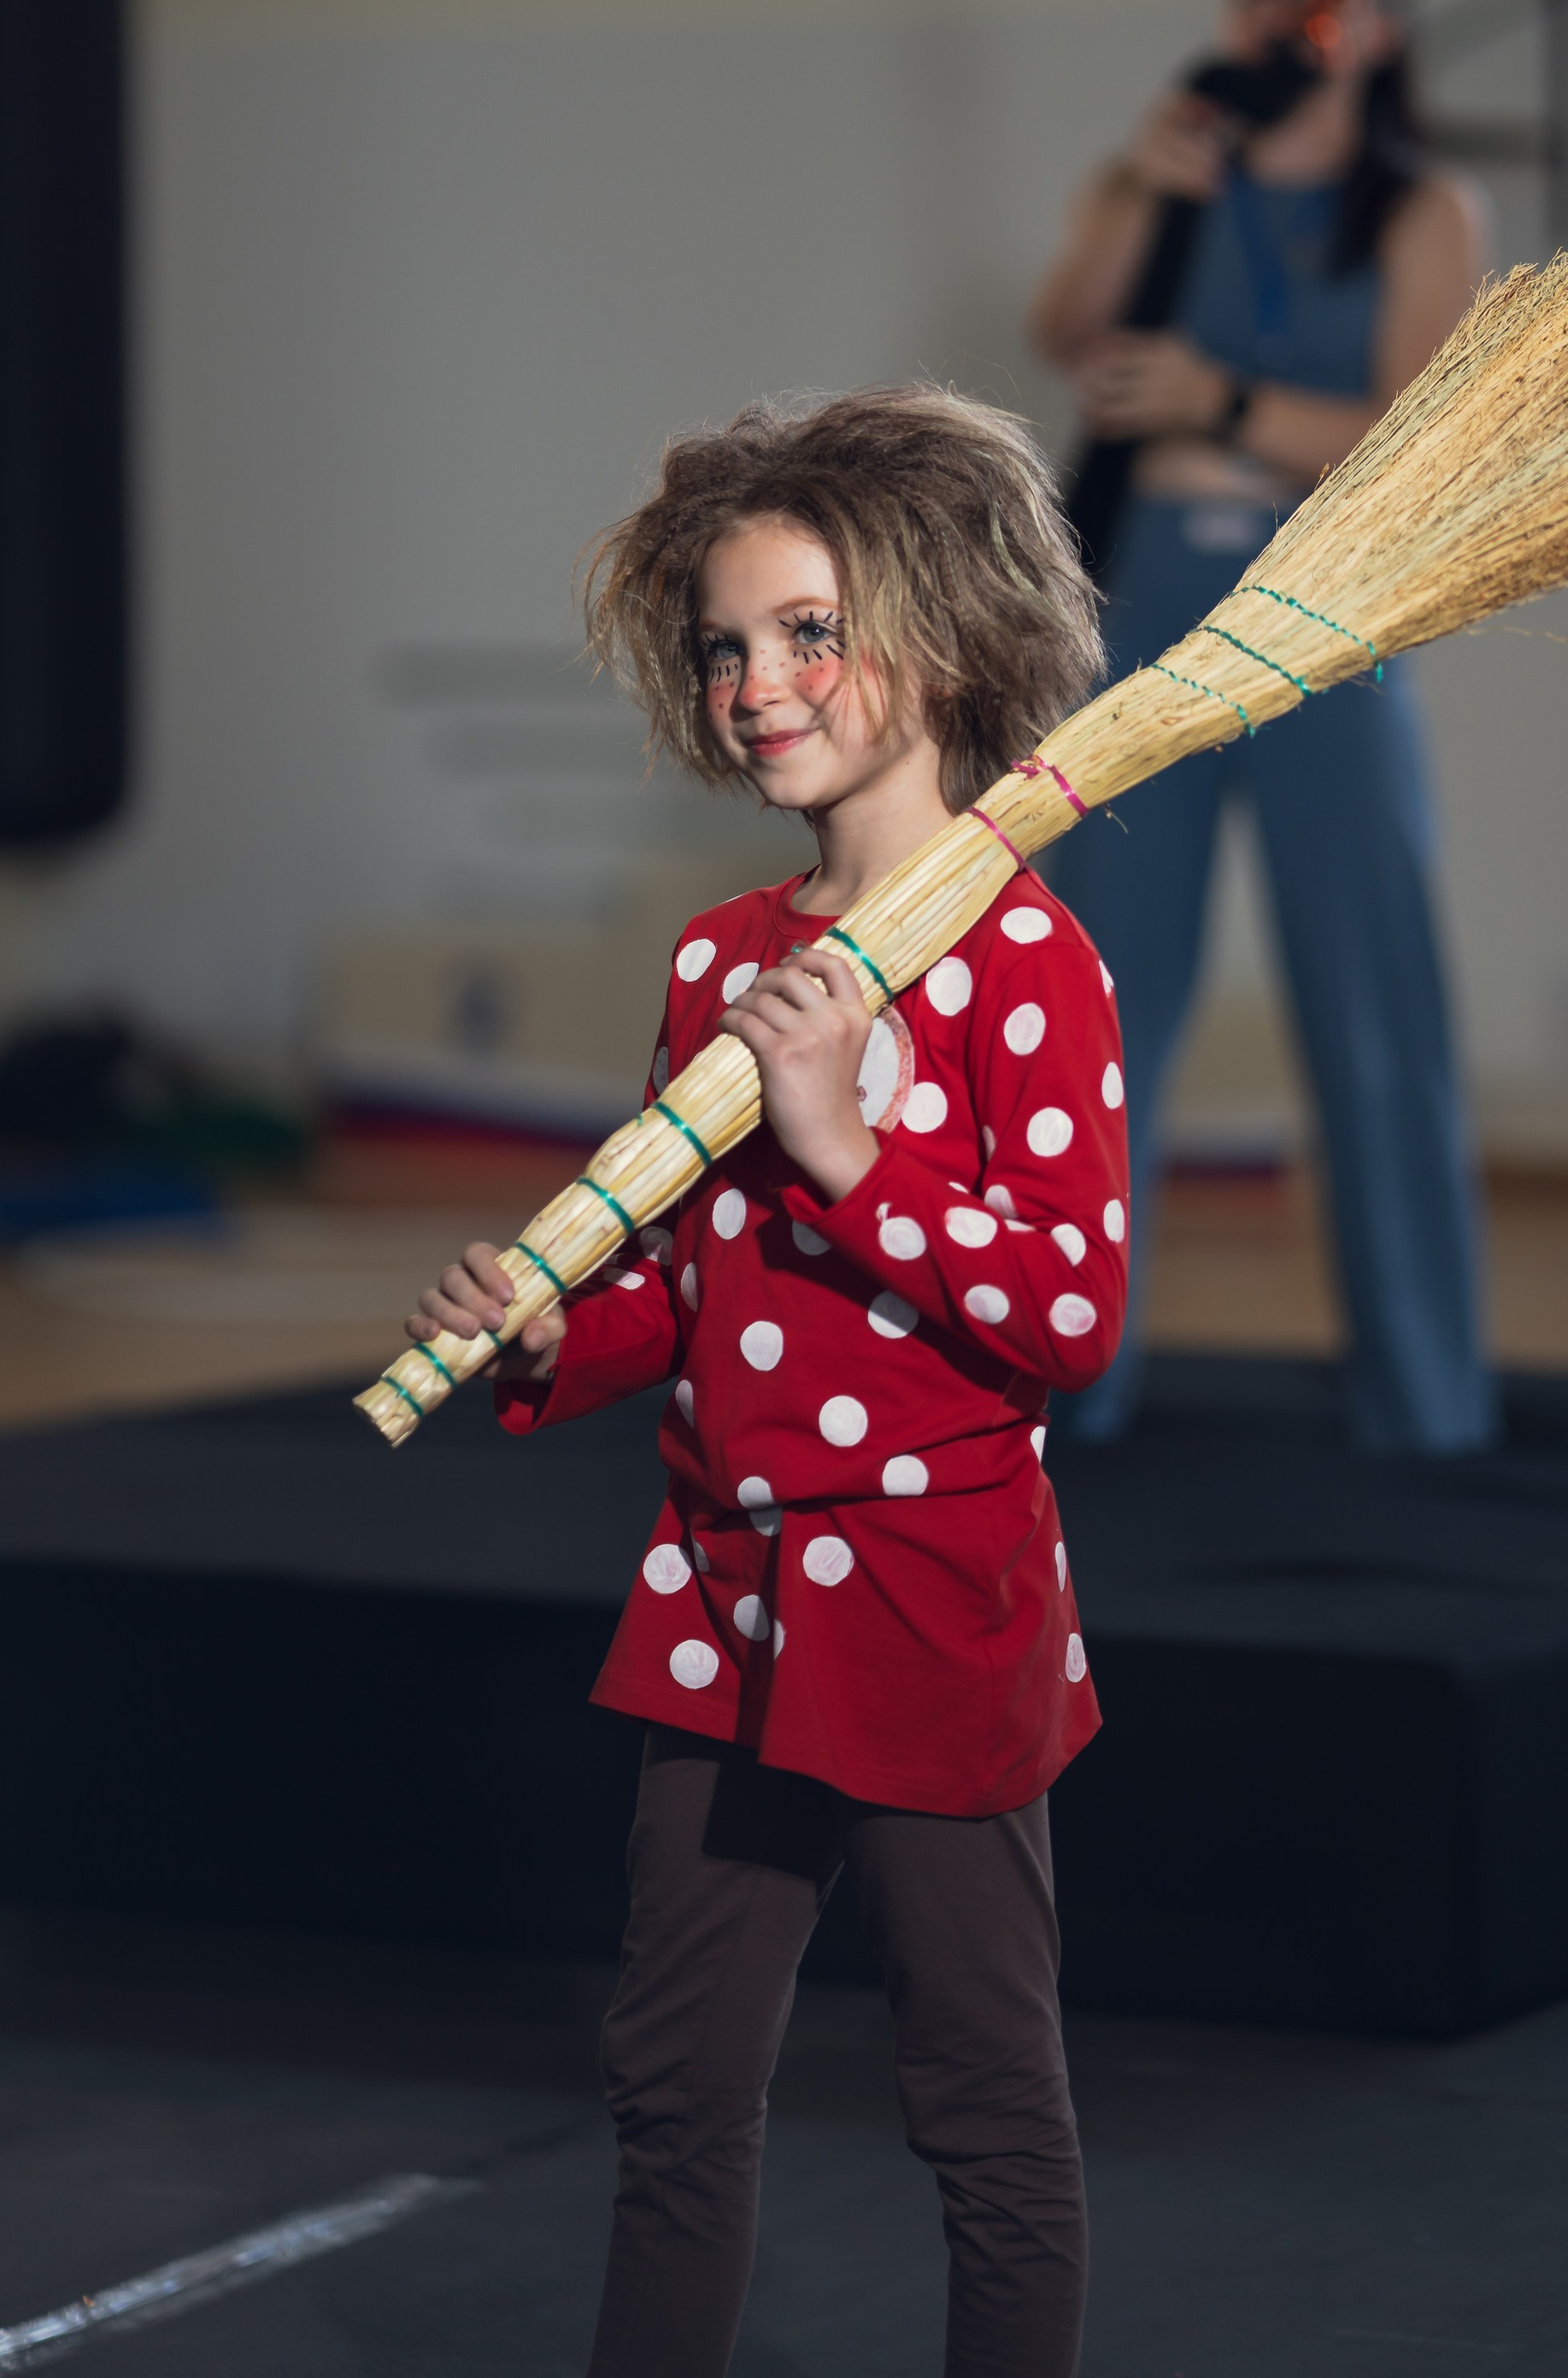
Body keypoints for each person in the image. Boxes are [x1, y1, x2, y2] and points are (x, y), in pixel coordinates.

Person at [410, 387, 1124, 2378]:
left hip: (930, 1615)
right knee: (671, 2097)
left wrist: (845, 1150)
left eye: (809, 630)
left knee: (981, 2107)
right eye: (724, 644)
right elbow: (691, 1293)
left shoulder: (1027, 960)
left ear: (944, 627)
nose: (756, 684)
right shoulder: (723, 954)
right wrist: (564, 1329)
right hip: (716, 1613)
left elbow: (1070, 1314)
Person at [1027, 0, 1497, 1456]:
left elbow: (1413, 445)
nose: (1275, 17)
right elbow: (1064, 328)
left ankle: (1425, 1404)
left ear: (1379, 27)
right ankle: (1069, 1392)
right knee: (1098, 1022)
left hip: (1325, 633)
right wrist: (1141, 196)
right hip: (1143, 629)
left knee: (1376, 1017)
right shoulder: (1160, 171)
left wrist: (1222, 400)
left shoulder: (1425, 214)